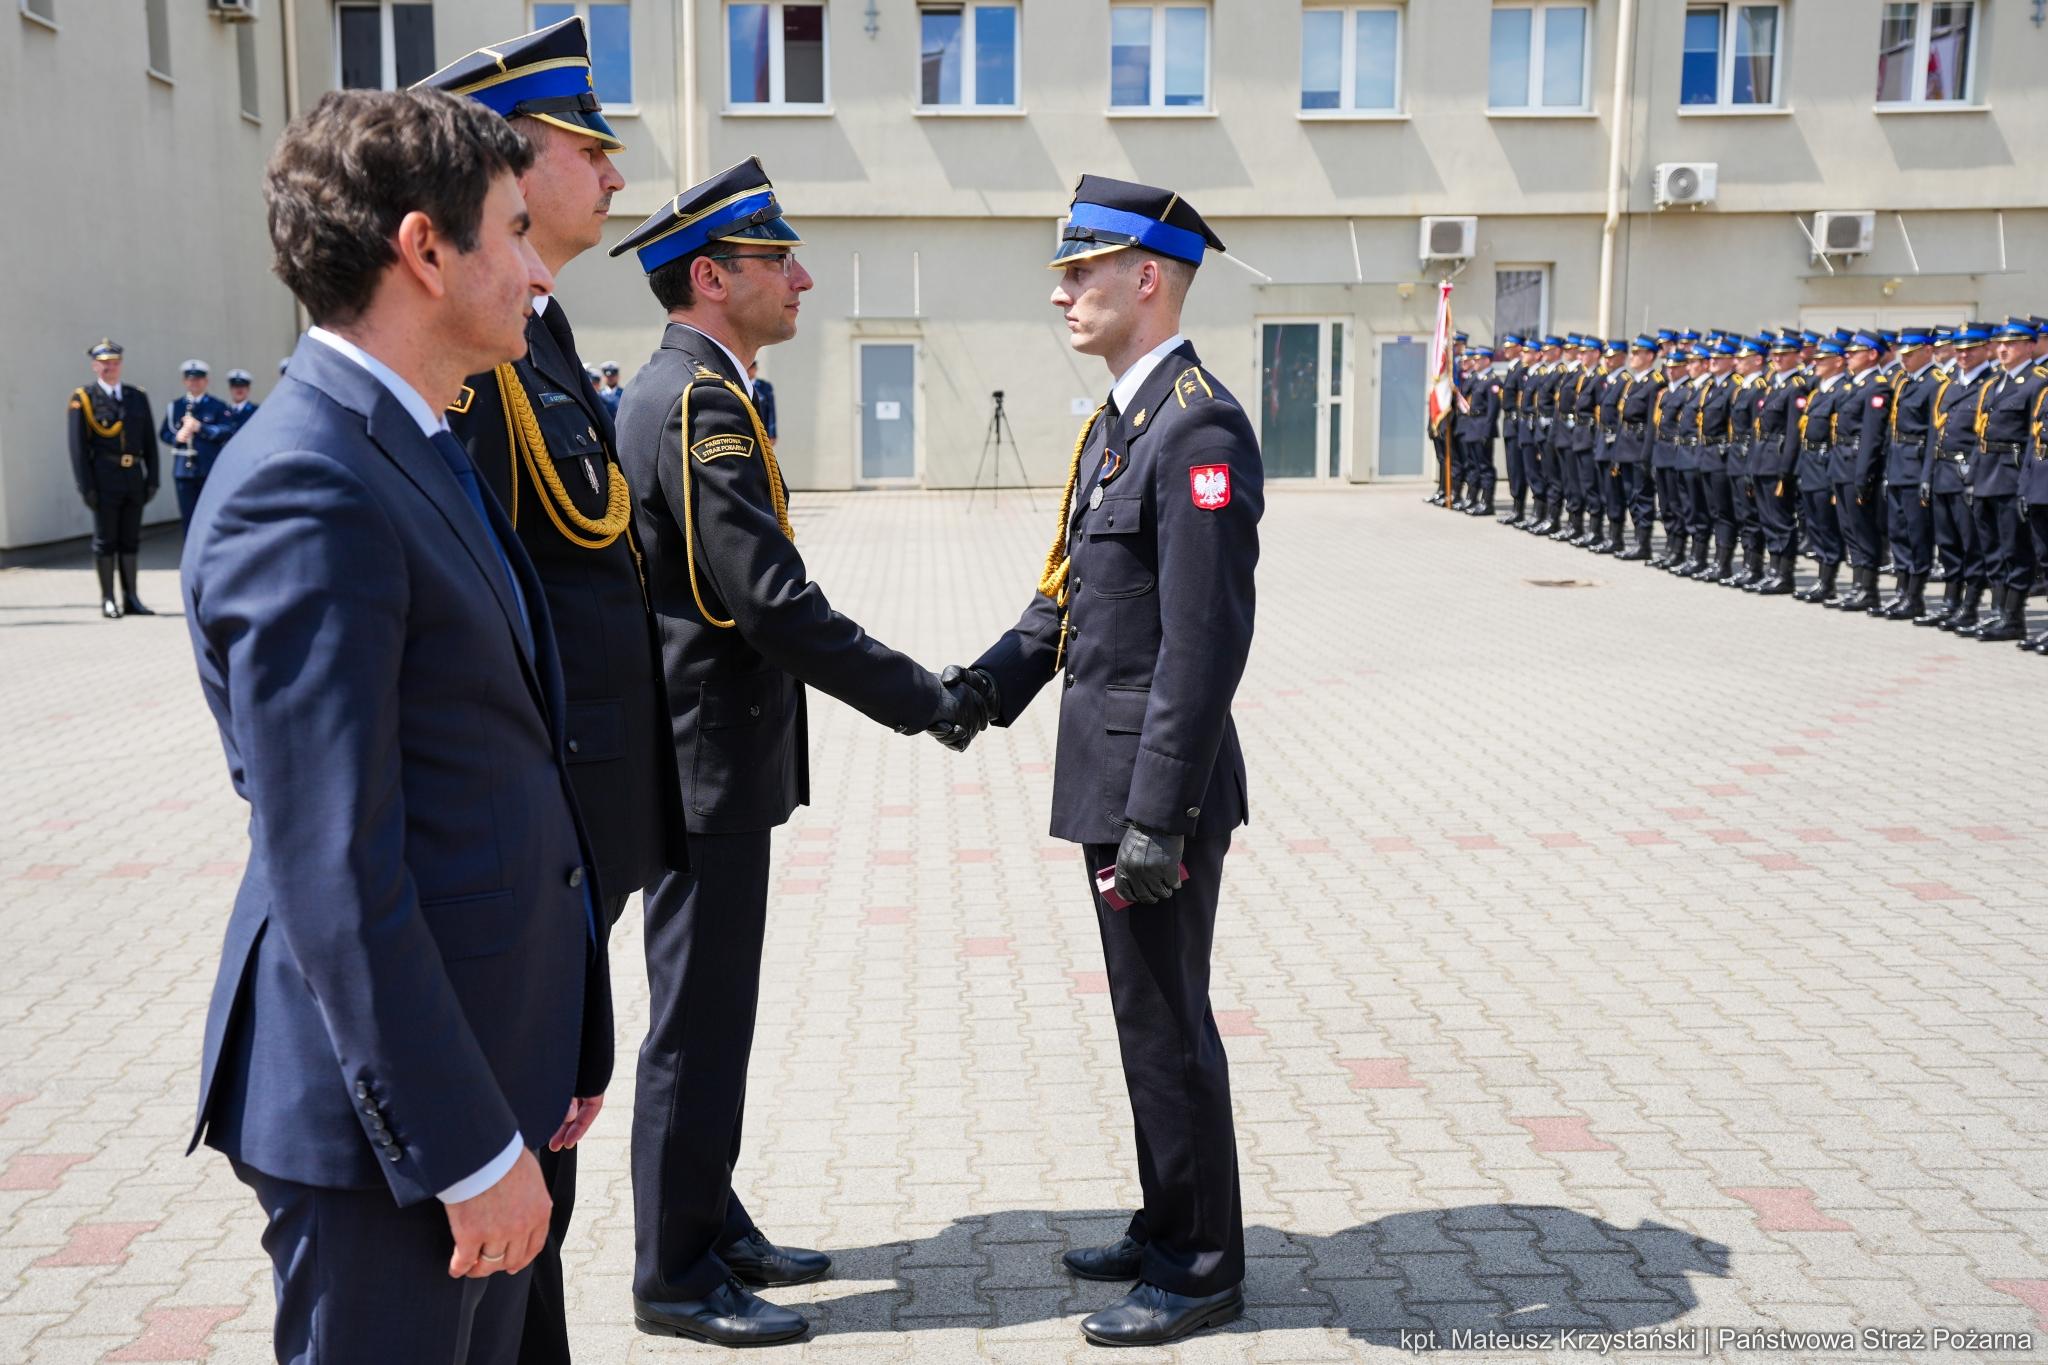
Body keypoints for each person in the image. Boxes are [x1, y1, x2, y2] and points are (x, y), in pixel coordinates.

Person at [179, 88, 614, 1365]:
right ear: (424, 249)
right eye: (514, 232)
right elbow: (333, 867)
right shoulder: (306, 483)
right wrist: (466, 1150)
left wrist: (562, 1040)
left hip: (484, 1066)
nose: (539, 270)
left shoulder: (406, 437)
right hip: (393, 1140)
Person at [608, 158, 984, 1347]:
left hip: (708, 755)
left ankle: (708, 1219)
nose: (802, 279)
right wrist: (923, 697)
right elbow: (769, 605)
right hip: (705, 763)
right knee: (696, 1021)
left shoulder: (693, 389)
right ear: (712, 277)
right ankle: (674, 1275)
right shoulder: (699, 405)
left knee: (714, 1010)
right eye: (778, 260)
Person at [949, 174, 1259, 1349]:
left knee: (1168, 1025)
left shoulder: (1197, 428)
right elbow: (1070, 602)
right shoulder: (1122, 425)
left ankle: (1200, 1266)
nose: (1061, 292)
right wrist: (981, 689)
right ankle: (1165, 1215)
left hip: (1153, 794)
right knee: (1143, 1020)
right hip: (1112, 779)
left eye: (1081, 271)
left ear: (1148, 278)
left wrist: (1158, 817)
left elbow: (1201, 645)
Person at [418, 19, 689, 1362]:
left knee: (549, 1191)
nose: (617, 176)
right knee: (514, 1202)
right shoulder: (473, 363)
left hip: (579, 839)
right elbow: (473, 620)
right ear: (513, 162)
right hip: (526, 847)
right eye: (592, 149)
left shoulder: (550, 328)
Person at [1961, 319, 2042, 641]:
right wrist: (1972, 478)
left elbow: (2033, 439)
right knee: (1991, 549)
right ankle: (1997, 611)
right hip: (1986, 474)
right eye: (2001, 344)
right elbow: (1980, 435)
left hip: (2011, 475)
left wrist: (2025, 485)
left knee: (2015, 550)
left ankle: (2013, 616)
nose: (2003, 349)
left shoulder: (2036, 383)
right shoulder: (1994, 383)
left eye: (2012, 343)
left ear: (2030, 346)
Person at [68, 339, 158, 618]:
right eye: (105, 364)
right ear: (95, 366)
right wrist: (86, 487)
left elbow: (149, 441)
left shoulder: (136, 396)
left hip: (133, 477)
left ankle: (132, 598)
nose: (110, 368)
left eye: (115, 363)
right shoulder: (84, 398)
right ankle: (108, 599)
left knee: (131, 540)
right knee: (106, 540)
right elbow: (78, 448)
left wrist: (153, 478)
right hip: (104, 479)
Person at [1922, 325, 1993, 628]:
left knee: (1971, 544)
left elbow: (1984, 438)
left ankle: (1970, 605)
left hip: (1967, 474)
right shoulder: (1949, 385)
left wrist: (1974, 476)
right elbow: (1934, 434)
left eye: (1971, 349)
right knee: (1947, 543)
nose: (1964, 355)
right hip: (1943, 472)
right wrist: (1927, 475)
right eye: (1960, 350)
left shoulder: (1990, 384)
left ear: (1986, 349)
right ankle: (1950, 602)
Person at [1830, 334, 1892, 613]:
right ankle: (1857, 586)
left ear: (1872, 355)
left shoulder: (1877, 387)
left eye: (1855, 352)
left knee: (1863, 529)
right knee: (1849, 529)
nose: (1848, 356)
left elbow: (1872, 437)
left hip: (1857, 464)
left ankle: (1868, 589)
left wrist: (1863, 475)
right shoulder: (1853, 385)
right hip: (1842, 463)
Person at [161, 360, 235, 530]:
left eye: (198, 379)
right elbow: (164, 433)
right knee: (188, 517)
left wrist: (201, 427)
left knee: (210, 517)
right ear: (184, 381)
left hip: (208, 468)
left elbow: (227, 431)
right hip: (183, 470)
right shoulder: (176, 406)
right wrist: (177, 437)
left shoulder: (217, 406)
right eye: (190, 379)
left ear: (206, 381)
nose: (194, 382)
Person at [221, 369, 260, 437]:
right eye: (235, 386)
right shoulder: (223, 410)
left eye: (242, 386)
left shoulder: (256, 411)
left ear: (248, 389)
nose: (239, 390)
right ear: (230, 389)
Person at [747, 360, 775, 438]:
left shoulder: (765, 386)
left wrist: (772, 433)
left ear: (755, 369)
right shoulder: (739, 384)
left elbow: (771, 410)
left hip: (762, 429)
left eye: (751, 368)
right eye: (747, 368)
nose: (749, 371)